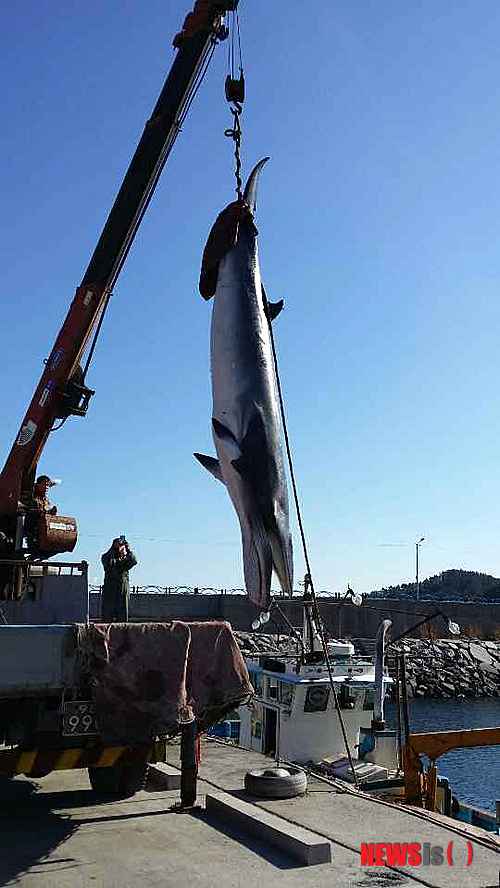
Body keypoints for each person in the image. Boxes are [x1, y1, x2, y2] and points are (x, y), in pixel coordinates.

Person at [101, 537, 137, 622]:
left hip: (122, 591)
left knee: (122, 619)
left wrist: (127, 550)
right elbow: (110, 564)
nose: (119, 548)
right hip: (109, 592)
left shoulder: (126, 558)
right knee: (107, 619)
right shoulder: (107, 557)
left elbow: (134, 560)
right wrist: (116, 554)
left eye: (121, 545)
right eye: (117, 545)